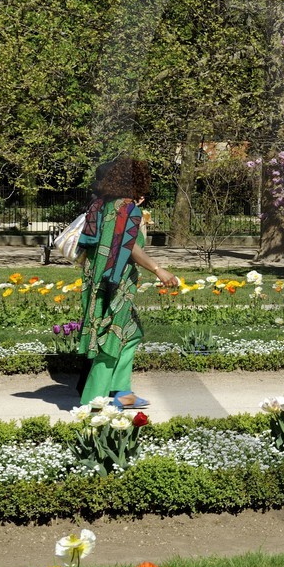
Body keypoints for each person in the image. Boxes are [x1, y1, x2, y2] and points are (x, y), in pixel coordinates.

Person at [74, 156, 179, 409]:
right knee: (111, 339)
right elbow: (129, 246)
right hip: (116, 282)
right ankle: (93, 403)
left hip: (98, 279)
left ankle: (123, 393)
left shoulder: (102, 205)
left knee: (131, 334)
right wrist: (159, 270)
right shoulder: (128, 209)